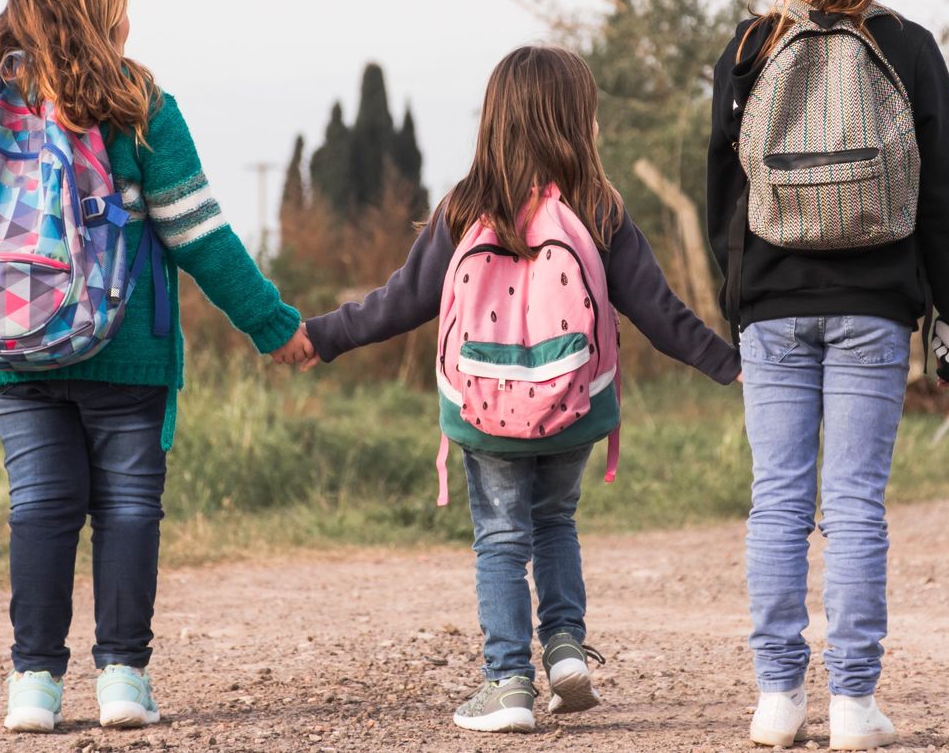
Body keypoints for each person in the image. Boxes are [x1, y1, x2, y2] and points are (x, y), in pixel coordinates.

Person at [0, 0, 313, 733]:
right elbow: (198, 234)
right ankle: (122, 681)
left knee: (38, 506)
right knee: (129, 505)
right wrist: (273, 325)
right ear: (106, 8)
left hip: (3, 349)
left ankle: (32, 685)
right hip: (122, 348)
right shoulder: (137, 103)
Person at [296, 45, 740, 734]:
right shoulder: (599, 208)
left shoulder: (465, 207)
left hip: (485, 406)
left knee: (501, 536)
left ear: (496, 120)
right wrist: (729, 363)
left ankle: (506, 681)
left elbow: (400, 301)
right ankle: (564, 648)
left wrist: (320, 337)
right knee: (556, 520)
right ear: (576, 120)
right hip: (573, 403)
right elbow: (659, 311)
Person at [703, 0, 949, 749]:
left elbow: (724, 201)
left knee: (778, 501)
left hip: (774, 309)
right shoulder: (906, 47)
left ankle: (778, 699)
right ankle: (855, 705)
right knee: (856, 503)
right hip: (874, 303)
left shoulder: (748, 50)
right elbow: (945, 200)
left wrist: (738, 304)